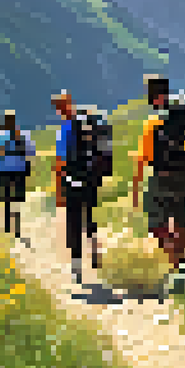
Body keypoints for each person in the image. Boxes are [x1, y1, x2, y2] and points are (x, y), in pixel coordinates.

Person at [132, 74, 185, 273]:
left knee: (156, 223)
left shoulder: (155, 122)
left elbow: (143, 159)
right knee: (180, 218)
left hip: (163, 177)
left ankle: (176, 264)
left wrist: (135, 189)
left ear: (152, 95)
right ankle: (184, 262)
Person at [52, 92, 102, 284]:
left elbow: (60, 163)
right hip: (90, 178)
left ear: (59, 109)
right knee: (89, 215)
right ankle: (94, 247)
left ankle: (76, 266)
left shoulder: (64, 130)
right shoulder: (87, 124)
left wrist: (59, 190)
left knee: (73, 221)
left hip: (72, 180)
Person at [0, 110, 35, 244]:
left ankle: (8, 225)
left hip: (5, 170)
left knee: (7, 197)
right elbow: (31, 152)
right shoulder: (23, 136)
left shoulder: (0, 137)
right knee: (17, 199)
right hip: (20, 170)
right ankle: (17, 225)